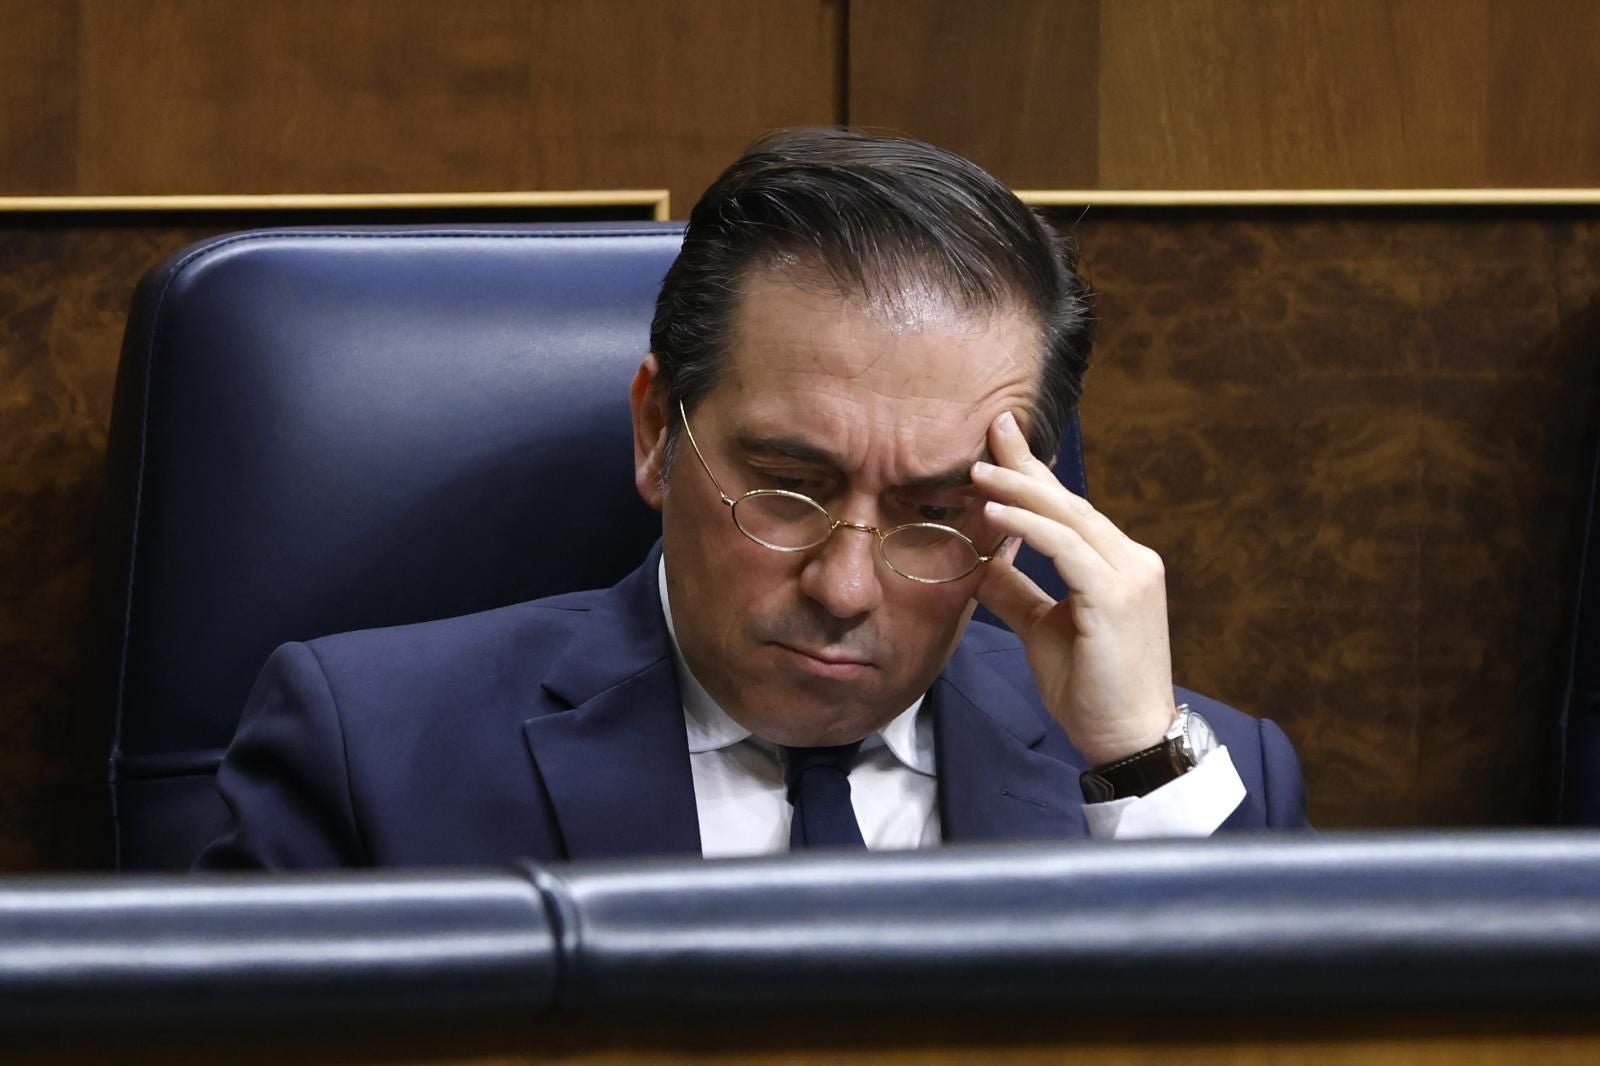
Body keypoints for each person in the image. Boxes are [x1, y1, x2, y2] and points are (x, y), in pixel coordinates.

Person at [198, 128, 1305, 869]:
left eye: (933, 510)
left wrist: (1137, 770)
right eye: (787, 489)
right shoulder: (368, 753)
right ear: (654, 432)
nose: (845, 585)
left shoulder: (1189, 781)